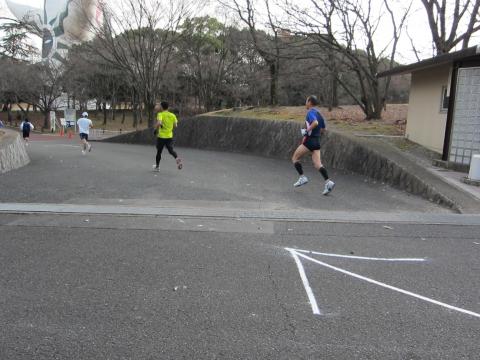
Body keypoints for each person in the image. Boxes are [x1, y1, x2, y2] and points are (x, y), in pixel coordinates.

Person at [292, 95, 335, 195]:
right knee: (318, 164)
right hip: (317, 141)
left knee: (295, 158)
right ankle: (328, 182)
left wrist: (307, 131)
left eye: (306, 101)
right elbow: (323, 129)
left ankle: (302, 177)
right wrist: (315, 134)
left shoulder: (310, 112)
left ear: (310, 102)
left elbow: (315, 123)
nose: (305, 103)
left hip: (309, 141)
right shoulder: (319, 114)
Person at [153, 101, 182, 172]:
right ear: (168, 107)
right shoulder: (172, 115)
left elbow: (159, 123)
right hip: (169, 136)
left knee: (159, 152)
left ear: (162, 107)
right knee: (170, 150)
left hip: (161, 136)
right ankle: (177, 158)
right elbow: (175, 125)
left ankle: (157, 167)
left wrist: (155, 129)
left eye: (160, 106)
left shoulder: (160, 114)